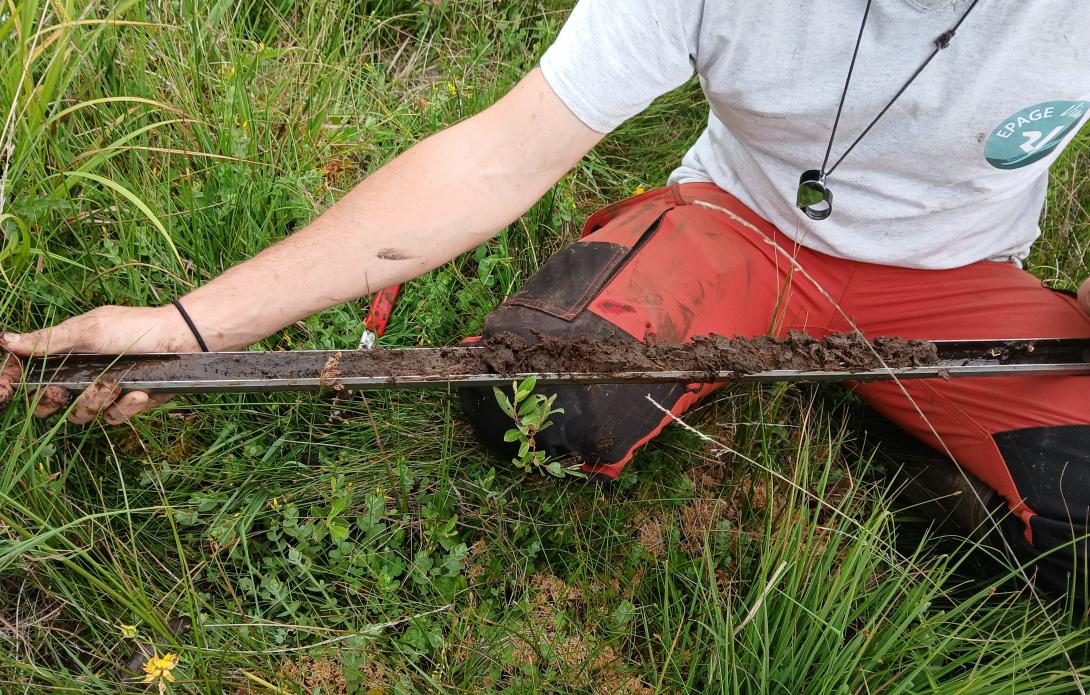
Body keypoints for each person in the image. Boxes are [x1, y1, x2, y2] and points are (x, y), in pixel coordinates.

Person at [2, 0, 1089, 598]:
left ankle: (958, 487)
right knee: (540, 402)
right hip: (735, 232)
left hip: (956, 279)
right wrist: (187, 329)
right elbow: (493, 159)